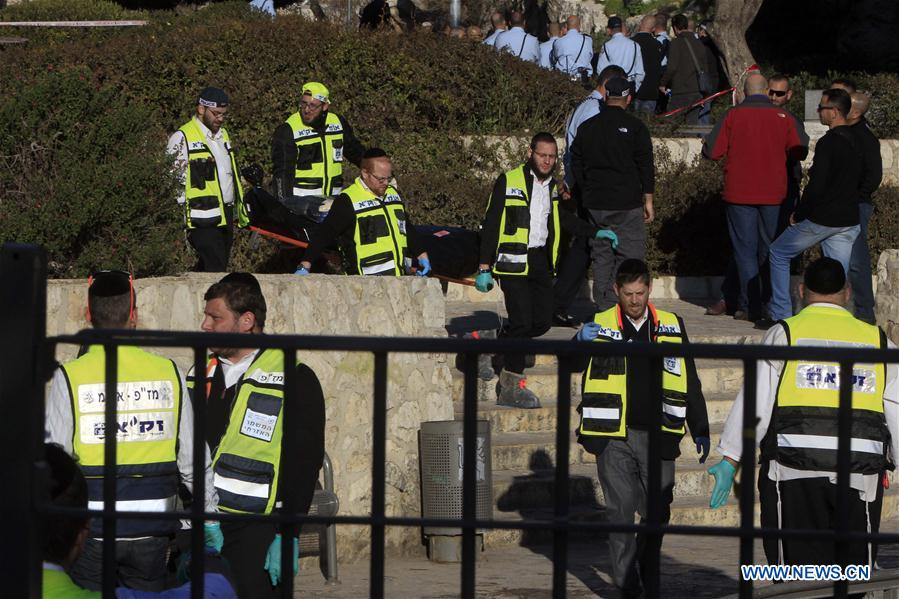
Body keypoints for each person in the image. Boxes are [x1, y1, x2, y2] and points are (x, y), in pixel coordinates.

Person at [708, 257, 899, 567]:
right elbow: (896, 407)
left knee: (797, 576)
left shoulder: (785, 334)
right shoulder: (877, 341)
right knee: (852, 574)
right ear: (847, 292)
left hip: (792, 471)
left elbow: (756, 400)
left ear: (800, 290)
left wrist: (731, 457)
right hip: (859, 474)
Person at [44, 270, 217, 592]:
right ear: (133, 317)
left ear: (88, 316)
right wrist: (209, 521)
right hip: (152, 532)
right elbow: (193, 461)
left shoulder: (70, 377)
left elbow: (57, 458)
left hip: (93, 531)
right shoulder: (169, 373)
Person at [575, 259, 709, 598]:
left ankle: (648, 567)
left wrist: (701, 427)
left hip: (659, 434)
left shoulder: (672, 324)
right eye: (628, 294)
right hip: (613, 435)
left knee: (657, 513)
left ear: (649, 289)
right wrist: (579, 341)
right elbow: (574, 364)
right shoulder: (600, 323)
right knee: (619, 515)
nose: (634, 300)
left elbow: (688, 376)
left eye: (640, 293)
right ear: (617, 291)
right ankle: (628, 587)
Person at [188, 273, 325, 599]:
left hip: (258, 532)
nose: (205, 325)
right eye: (205, 316)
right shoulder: (199, 372)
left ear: (246, 320)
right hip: (202, 527)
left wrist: (287, 534)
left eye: (215, 317)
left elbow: (304, 462)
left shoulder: (294, 375)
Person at [475, 132, 618, 408]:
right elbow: (491, 222)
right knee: (521, 322)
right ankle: (511, 385)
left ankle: (492, 342)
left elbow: (562, 219)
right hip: (512, 261)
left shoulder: (552, 187)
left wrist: (596, 232)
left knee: (540, 321)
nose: (547, 161)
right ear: (530, 153)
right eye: (543, 155)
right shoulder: (509, 180)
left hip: (540, 261)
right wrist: (484, 266)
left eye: (552, 157)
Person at [41, 443, 238, 599]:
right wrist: (206, 560)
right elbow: (217, 590)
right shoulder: (175, 390)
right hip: (150, 534)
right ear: (82, 531)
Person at [702, 73, 806, 325]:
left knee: (744, 250)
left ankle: (751, 305)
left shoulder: (733, 116)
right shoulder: (783, 117)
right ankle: (769, 301)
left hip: (739, 193)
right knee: (769, 248)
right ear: (766, 91)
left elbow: (712, 152)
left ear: (744, 92)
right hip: (773, 194)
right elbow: (800, 149)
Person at [764, 88, 863, 326]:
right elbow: (867, 177)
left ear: (835, 112)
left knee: (778, 252)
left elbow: (817, 185)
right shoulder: (859, 140)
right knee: (836, 274)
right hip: (849, 219)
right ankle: (836, 321)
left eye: (822, 108)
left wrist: (799, 213)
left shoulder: (829, 142)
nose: (819, 111)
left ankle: (780, 313)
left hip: (823, 218)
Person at [570, 77, 655, 312]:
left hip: (596, 204)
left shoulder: (587, 127)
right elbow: (646, 165)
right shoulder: (636, 127)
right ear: (628, 98)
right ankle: (623, 306)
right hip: (627, 204)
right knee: (630, 258)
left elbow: (575, 162)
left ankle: (604, 305)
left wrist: (586, 189)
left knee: (602, 255)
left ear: (605, 96)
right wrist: (648, 199)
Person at [554, 65, 627, 326]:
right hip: (588, 188)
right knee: (586, 245)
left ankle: (560, 301)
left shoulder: (586, 106)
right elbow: (583, 153)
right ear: (609, 86)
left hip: (582, 185)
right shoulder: (593, 110)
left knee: (584, 245)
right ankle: (560, 302)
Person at [294, 148, 431, 276]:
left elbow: (405, 226)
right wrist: (306, 263)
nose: (385, 183)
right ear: (365, 173)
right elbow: (325, 232)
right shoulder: (348, 200)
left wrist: (421, 253)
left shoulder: (392, 194)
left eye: (388, 178)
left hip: (399, 277)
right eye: (380, 179)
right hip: (366, 281)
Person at [167, 87, 248, 272]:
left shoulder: (223, 134)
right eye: (216, 114)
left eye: (223, 114)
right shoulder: (183, 137)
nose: (220, 118)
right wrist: (181, 217)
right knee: (216, 268)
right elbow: (172, 180)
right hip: (201, 216)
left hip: (225, 213)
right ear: (201, 109)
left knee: (213, 267)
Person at [271, 81, 364, 208]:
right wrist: (283, 206)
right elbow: (282, 174)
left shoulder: (337, 123)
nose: (306, 110)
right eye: (303, 103)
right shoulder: (288, 129)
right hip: (302, 203)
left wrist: (380, 172)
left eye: (313, 105)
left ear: (325, 106)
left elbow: (356, 153)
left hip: (333, 201)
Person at [846, 92, 883, 324]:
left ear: (856, 112)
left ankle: (865, 313)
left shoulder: (864, 138)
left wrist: (856, 193)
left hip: (856, 204)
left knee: (857, 260)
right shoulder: (846, 134)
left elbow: (873, 177)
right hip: (849, 203)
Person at [659, 14, 717, 125]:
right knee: (692, 125)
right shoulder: (699, 43)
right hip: (697, 91)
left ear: (675, 28)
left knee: (672, 124)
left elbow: (672, 67)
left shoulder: (676, 43)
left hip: (681, 91)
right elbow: (705, 68)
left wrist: (663, 83)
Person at [595, 16, 645, 93]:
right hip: (630, 84)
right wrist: (636, 88)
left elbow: (600, 70)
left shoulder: (607, 46)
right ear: (621, 28)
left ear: (609, 29)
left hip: (613, 85)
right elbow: (640, 71)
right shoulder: (635, 45)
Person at [631, 15, 663, 114]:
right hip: (651, 91)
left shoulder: (631, 42)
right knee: (647, 124)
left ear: (640, 24)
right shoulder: (657, 45)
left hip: (635, 90)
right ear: (653, 29)